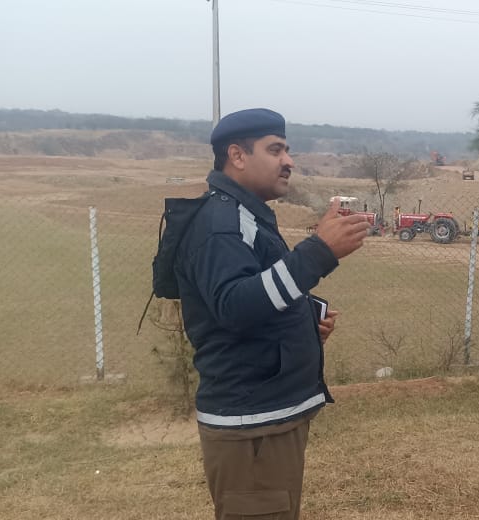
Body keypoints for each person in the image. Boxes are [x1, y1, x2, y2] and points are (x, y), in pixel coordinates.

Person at [171, 108, 370, 520]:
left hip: (266, 418)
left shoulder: (246, 214)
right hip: (251, 425)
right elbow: (233, 305)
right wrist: (318, 251)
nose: (288, 161)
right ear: (237, 156)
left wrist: (305, 323)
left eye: (287, 150)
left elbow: (256, 293)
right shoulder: (221, 223)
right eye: (275, 150)